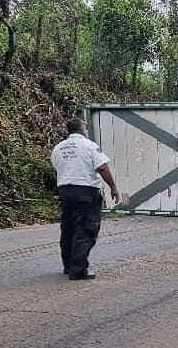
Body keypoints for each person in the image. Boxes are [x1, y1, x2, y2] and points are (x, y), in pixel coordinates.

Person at [51, 117, 120, 281]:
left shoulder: (58, 148)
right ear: (82, 129)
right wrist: (113, 187)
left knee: (68, 228)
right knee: (86, 228)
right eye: (86, 129)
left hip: (65, 191)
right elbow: (102, 167)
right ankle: (78, 270)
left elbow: (57, 167)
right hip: (86, 191)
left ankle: (68, 266)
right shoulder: (89, 146)